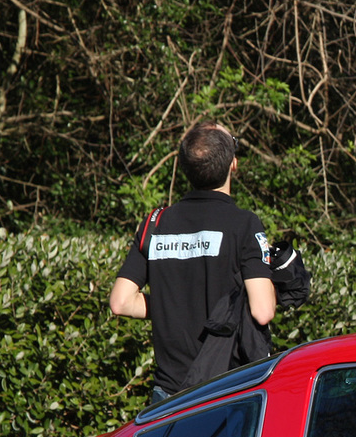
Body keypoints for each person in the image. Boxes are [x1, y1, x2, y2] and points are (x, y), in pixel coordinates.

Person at [108, 121, 276, 402]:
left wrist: (171, 309)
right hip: (228, 392)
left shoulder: (155, 223)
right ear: (233, 164)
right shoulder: (244, 224)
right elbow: (262, 311)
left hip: (168, 396)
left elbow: (121, 302)